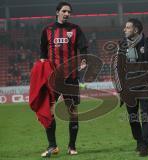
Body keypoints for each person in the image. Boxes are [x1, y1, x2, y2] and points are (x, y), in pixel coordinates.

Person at [39, 1, 88, 157]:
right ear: (57, 12)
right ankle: (52, 146)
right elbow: (42, 54)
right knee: (49, 111)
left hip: (71, 78)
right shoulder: (47, 30)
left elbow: (83, 47)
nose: (67, 14)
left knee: (73, 113)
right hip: (53, 79)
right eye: (64, 11)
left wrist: (84, 59)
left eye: (69, 12)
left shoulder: (75, 29)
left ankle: (71, 146)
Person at [114, 18, 148, 157]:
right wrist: (120, 89)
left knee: (146, 116)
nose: (124, 29)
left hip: (145, 88)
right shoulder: (122, 46)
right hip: (129, 89)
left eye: (128, 27)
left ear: (136, 30)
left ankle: (145, 145)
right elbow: (117, 68)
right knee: (133, 118)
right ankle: (139, 141)